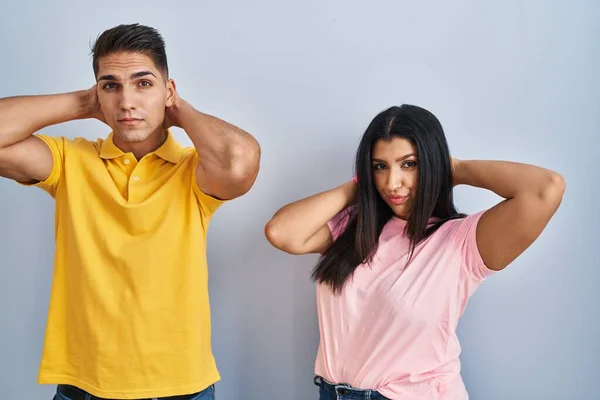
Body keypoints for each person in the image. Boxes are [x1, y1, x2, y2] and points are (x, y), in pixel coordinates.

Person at [0, 24, 260, 400]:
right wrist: (83, 103)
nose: (127, 101)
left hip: (180, 387)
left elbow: (240, 163)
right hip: (84, 386)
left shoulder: (194, 172)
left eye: (143, 84)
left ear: (167, 90)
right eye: (111, 86)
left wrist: (179, 110)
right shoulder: (70, 160)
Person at [264, 104, 565, 400]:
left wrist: (453, 169)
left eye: (409, 164)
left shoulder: (461, 242)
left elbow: (546, 188)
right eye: (380, 166)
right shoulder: (352, 228)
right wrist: (361, 186)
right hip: (332, 393)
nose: (392, 183)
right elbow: (281, 232)